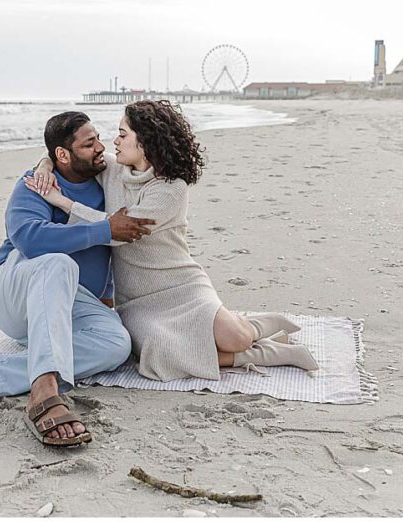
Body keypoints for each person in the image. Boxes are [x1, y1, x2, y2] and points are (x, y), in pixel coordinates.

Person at [27, 100, 318, 382]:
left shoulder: (171, 189)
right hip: (137, 301)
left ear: (145, 142)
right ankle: (266, 353)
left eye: (122, 134)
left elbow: (117, 232)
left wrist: (63, 203)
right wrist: (44, 165)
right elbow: (66, 154)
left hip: (180, 284)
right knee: (162, 353)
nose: (112, 142)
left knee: (236, 338)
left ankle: (258, 327)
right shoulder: (112, 169)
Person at [0, 111, 155, 447]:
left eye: (99, 138)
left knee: (116, 343)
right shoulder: (36, 183)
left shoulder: (108, 180)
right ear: (63, 154)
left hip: (71, 300)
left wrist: (107, 294)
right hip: (12, 295)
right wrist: (104, 229)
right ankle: (44, 388)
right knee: (57, 263)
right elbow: (30, 239)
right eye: (89, 144)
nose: (101, 147)